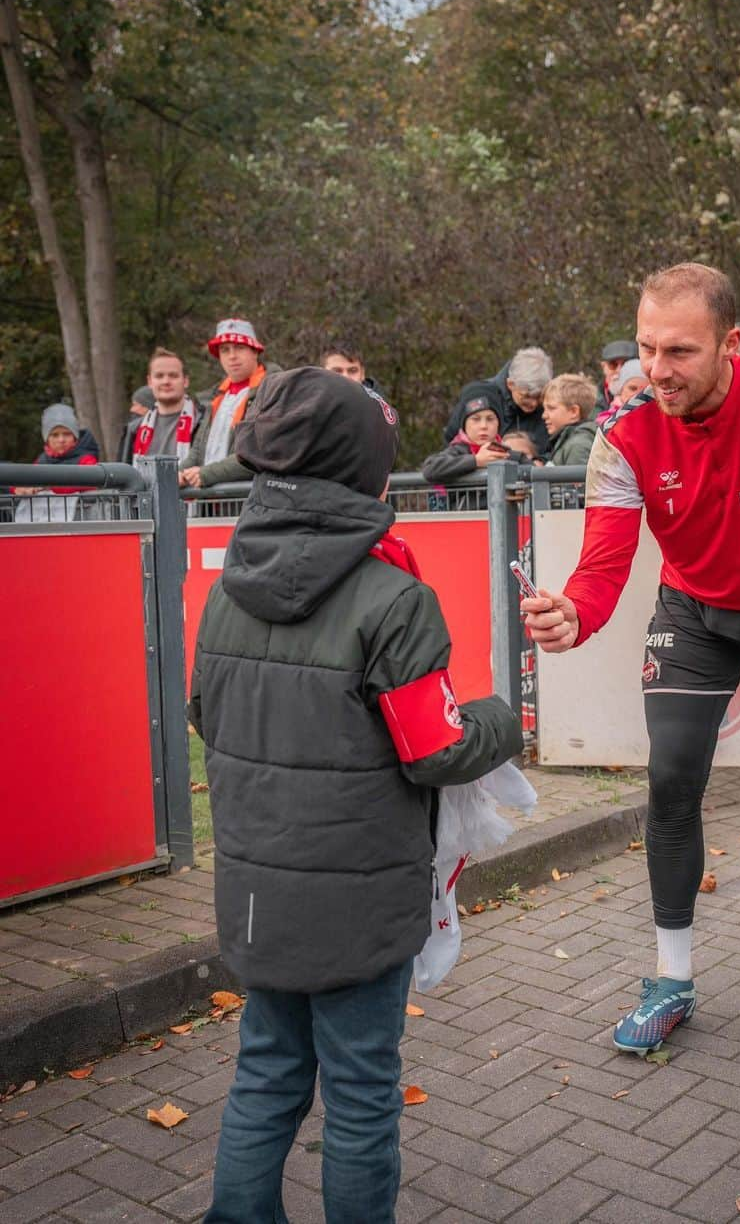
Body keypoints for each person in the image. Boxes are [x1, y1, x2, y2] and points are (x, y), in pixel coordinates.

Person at [523, 262, 740, 1101]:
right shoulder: (626, 422)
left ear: (732, 344)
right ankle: (671, 981)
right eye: (646, 347)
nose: (658, 369)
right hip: (695, 611)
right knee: (671, 784)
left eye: (680, 350)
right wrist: (575, 612)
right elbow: (606, 559)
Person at [190, 367, 522, 1224]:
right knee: (363, 1099)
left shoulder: (225, 591)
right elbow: (438, 748)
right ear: (366, 470)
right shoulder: (395, 598)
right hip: (361, 903)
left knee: (265, 1078)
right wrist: (500, 721)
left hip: (259, 896)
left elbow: (204, 714)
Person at [179, 319, 275, 490]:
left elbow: (255, 454)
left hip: (251, 501)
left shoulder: (273, 390)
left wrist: (207, 474)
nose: (232, 356)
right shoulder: (215, 396)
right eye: (225, 350)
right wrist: (179, 473)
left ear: (255, 351)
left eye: (239, 348)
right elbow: (198, 450)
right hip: (212, 502)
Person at [421, 380, 528, 508]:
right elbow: (429, 469)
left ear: (499, 424)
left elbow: (537, 477)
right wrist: (476, 461)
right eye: (475, 419)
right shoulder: (457, 451)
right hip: (465, 524)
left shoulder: (511, 456)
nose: (483, 426)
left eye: (490, 419)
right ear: (464, 425)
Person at [445, 347, 553, 457]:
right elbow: (452, 440)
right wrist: (474, 462)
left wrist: (542, 461)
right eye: (527, 396)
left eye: (539, 397)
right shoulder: (480, 396)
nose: (534, 403)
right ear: (510, 384)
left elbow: (556, 448)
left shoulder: (551, 404)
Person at [12, 404, 99, 523]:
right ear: (46, 438)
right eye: (54, 435)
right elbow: (27, 480)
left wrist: (50, 485)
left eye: (67, 434)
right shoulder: (42, 460)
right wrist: (18, 489)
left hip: (80, 522)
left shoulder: (86, 459)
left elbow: (92, 481)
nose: (61, 440)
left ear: (75, 436)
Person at [119, 349, 204, 464]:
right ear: (150, 382)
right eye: (159, 376)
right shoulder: (133, 430)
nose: (166, 381)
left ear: (185, 381)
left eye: (173, 376)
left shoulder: (202, 424)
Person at [543, 373, 599, 466]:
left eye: (551, 408)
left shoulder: (579, 445)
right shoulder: (569, 441)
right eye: (544, 409)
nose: (544, 415)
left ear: (574, 411)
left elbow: (579, 479)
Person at [322, 340, 387, 401]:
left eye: (352, 371)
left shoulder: (380, 411)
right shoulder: (313, 407)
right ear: (322, 374)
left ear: (362, 374)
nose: (345, 377)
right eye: (336, 371)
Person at [599, 339, 638, 406]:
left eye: (626, 364)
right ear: (603, 367)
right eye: (613, 364)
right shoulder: (592, 397)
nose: (619, 370)